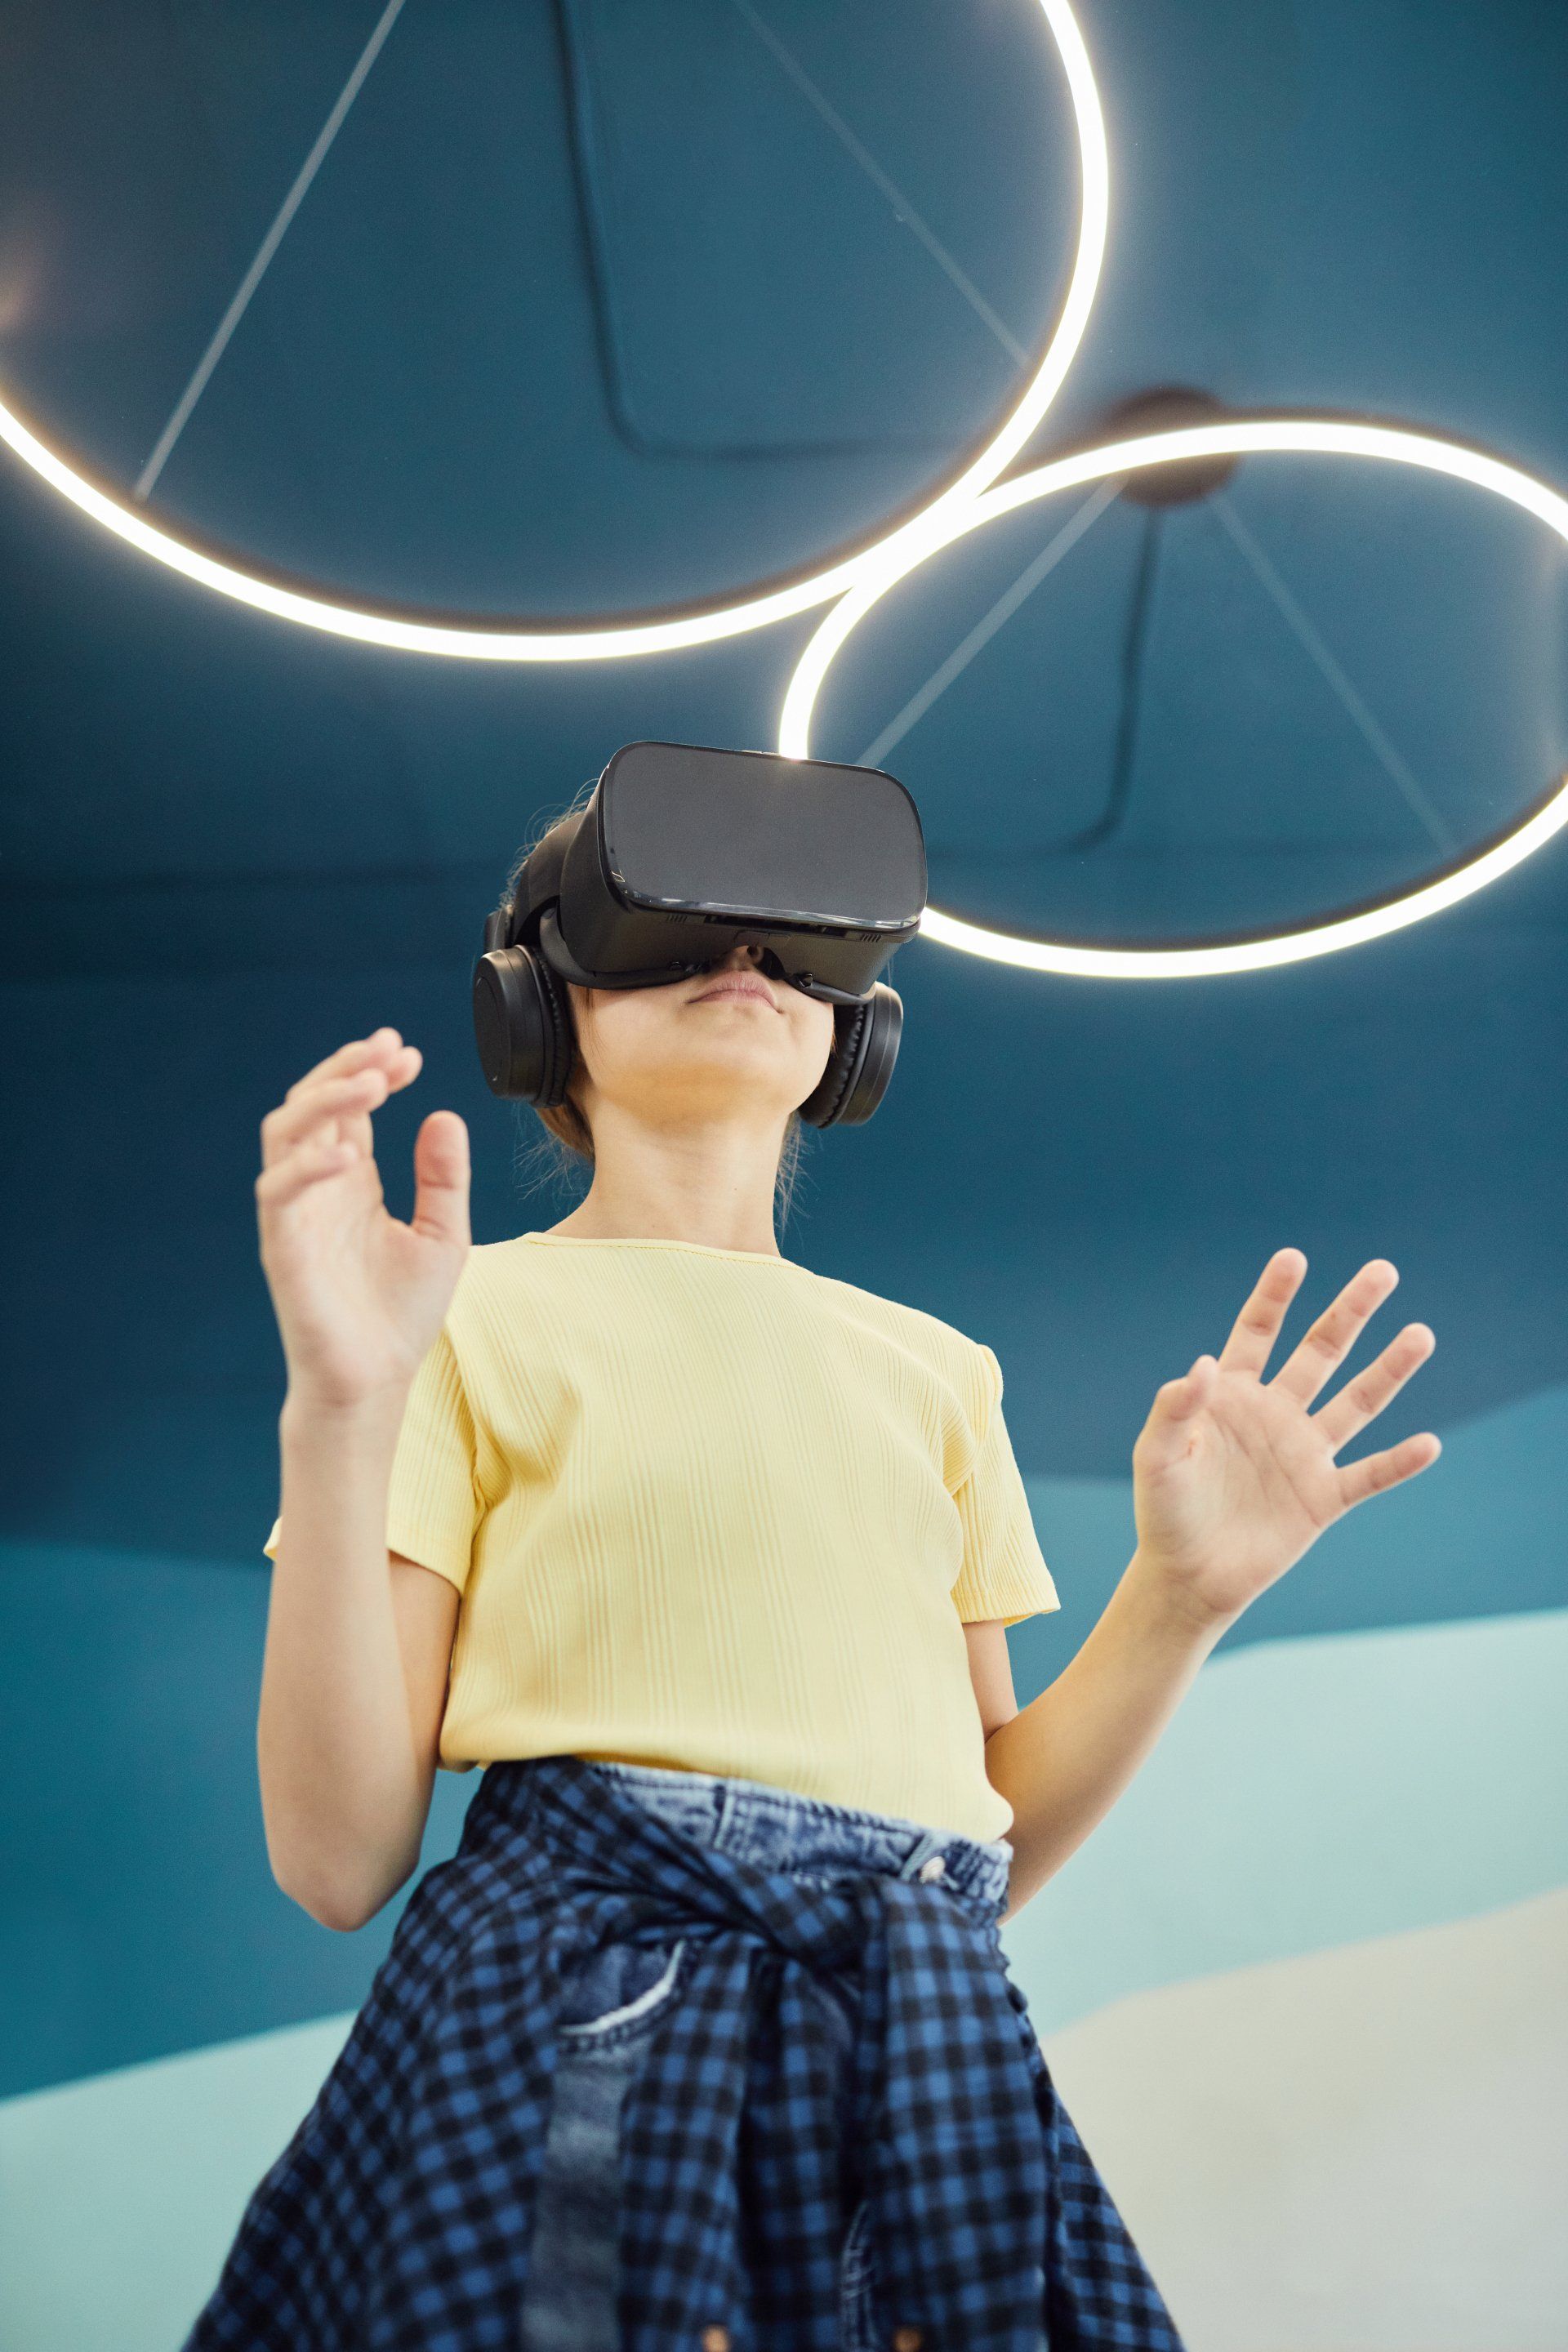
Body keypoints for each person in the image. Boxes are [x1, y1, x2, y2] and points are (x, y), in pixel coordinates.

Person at [186, 808, 1439, 2352]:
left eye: (794, 938)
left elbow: (978, 1825)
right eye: (664, 927)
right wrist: (341, 1406)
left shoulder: (937, 1373)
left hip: (917, 2045)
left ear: (859, 1031)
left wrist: (1179, 1600)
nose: (739, 959)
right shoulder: (457, 1317)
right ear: (536, 1006)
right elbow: (336, 1859)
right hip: (582, 2019)